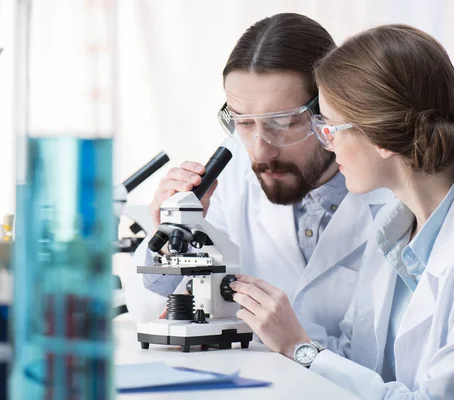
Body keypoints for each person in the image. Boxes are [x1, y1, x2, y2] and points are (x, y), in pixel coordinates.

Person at [228, 24, 454, 399]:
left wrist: (300, 348)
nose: (327, 145)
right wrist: (278, 330)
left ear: (381, 136)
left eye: (331, 128)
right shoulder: (394, 231)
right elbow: (359, 363)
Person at [125, 13, 392, 343]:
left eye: (282, 123)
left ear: (329, 110)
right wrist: (167, 231)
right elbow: (149, 312)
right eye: (244, 123)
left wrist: (297, 344)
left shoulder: (391, 189)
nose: (261, 151)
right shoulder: (231, 171)